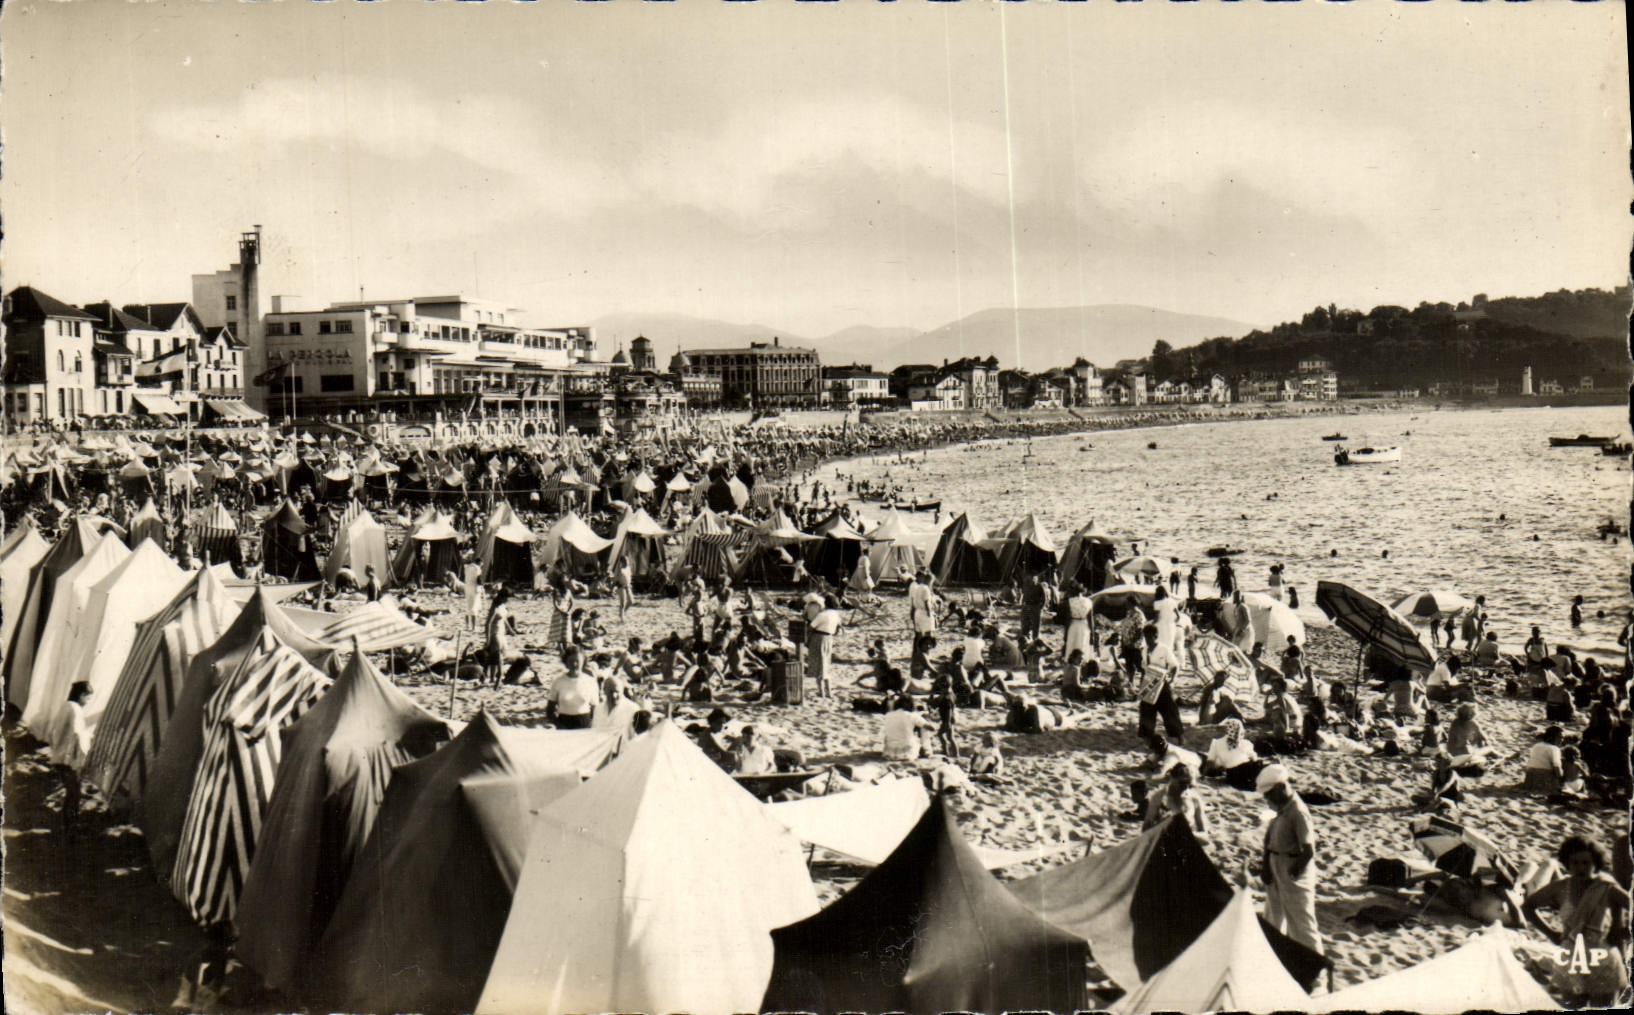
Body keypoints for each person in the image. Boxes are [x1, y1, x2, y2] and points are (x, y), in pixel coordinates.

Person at [1523, 835, 1630, 1006]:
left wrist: (1624, 931)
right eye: (1575, 863)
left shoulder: (1606, 888)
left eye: (1586, 863)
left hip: (1602, 959)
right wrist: (1550, 933)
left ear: (1596, 864)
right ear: (1567, 863)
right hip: (1571, 958)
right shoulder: (1560, 888)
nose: (1580, 868)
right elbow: (1528, 906)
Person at [1257, 764, 1323, 955]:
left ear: (1280, 788)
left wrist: (1293, 873)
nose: (1266, 798)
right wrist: (1267, 866)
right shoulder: (1282, 809)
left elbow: (1309, 850)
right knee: (1273, 919)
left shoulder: (1297, 812)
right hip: (1277, 865)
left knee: (1301, 923)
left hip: (1292, 867)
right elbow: (1269, 841)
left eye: (1268, 794)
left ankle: (1313, 965)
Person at [546, 647, 598, 730]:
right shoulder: (558, 681)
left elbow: (595, 709)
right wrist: (558, 724)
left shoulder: (590, 681)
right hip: (563, 723)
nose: (574, 664)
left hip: (584, 724)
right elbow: (550, 710)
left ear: (583, 662)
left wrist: (591, 724)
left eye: (577, 661)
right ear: (566, 662)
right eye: (571, 661)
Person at [807, 594, 842, 698]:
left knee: (818, 664)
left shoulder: (822, 614)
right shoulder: (836, 614)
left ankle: (821, 691)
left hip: (818, 638)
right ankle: (829, 691)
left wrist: (807, 640)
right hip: (829, 639)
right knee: (826, 663)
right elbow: (838, 629)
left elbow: (811, 627)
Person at [483, 588, 517, 687]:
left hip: (501, 633)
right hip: (495, 633)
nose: (508, 600)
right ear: (502, 597)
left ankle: (493, 678)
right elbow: (488, 623)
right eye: (507, 598)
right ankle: (496, 677)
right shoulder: (495, 608)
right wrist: (488, 639)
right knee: (497, 656)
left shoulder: (502, 606)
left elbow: (504, 619)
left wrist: (510, 630)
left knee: (499, 654)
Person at [882, 695, 932, 760]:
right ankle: (926, 750)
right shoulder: (912, 715)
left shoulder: (888, 714)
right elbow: (931, 728)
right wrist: (922, 717)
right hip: (908, 753)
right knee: (923, 727)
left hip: (889, 753)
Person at [1522, 725, 1566, 794]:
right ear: (1553, 737)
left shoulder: (1537, 745)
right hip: (1544, 778)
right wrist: (1562, 777)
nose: (1562, 740)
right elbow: (1557, 768)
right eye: (1560, 737)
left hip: (1530, 778)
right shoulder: (1554, 749)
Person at [1062, 581, 1094, 662]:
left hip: (1073, 624)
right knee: (1083, 644)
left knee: (1072, 644)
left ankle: (1071, 662)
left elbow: (1068, 619)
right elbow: (1090, 619)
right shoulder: (1089, 602)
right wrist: (1092, 634)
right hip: (1084, 625)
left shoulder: (1070, 601)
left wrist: (1065, 634)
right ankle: (1083, 662)